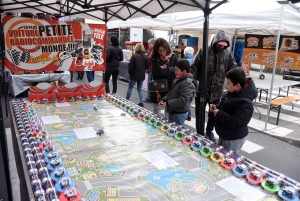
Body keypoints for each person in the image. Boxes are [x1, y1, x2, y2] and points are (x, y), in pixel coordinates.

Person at [190, 30, 237, 142]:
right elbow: (194, 68)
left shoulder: (228, 53)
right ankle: (199, 133)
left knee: (214, 114)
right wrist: (193, 84)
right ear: (215, 42)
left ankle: (209, 131)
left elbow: (232, 68)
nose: (221, 47)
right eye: (219, 44)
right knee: (200, 113)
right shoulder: (204, 50)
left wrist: (235, 79)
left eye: (223, 45)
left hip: (217, 90)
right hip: (202, 89)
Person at [211, 68, 258, 154]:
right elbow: (226, 107)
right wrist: (216, 107)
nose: (226, 85)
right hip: (225, 133)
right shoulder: (232, 92)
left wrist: (219, 113)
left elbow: (237, 122)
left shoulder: (245, 103)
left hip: (233, 138)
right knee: (220, 156)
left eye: (228, 83)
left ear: (238, 86)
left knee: (227, 161)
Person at [159, 60, 197, 126]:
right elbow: (171, 92)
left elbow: (184, 100)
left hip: (179, 113)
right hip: (173, 110)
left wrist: (168, 103)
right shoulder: (178, 79)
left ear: (184, 71)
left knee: (176, 130)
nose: (175, 72)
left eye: (177, 70)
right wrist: (164, 99)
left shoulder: (188, 83)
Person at [149, 38, 177, 117]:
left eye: (164, 50)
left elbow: (176, 70)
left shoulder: (173, 57)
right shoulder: (155, 57)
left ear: (167, 48)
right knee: (155, 111)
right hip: (158, 87)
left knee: (167, 112)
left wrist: (167, 69)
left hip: (169, 87)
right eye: (159, 51)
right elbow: (157, 73)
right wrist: (169, 70)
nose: (162, 53)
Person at [183, 46, 195, 121]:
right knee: (189, 99)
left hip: (186, 82)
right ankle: (189, 114)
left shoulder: (185, 61)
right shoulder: (195, 60)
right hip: (194, 82)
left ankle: (188, 114)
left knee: (185, 99)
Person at [144, 38, 155, 103]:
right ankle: (150, 97)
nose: (149, 46)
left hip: (152, 69)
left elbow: (149, 59)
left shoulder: (152, 51)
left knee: (150, 83)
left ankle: (149, 97)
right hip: (151, 69)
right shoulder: (151, 50)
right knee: (151, 83)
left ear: (153, 44)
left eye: (150, 44)